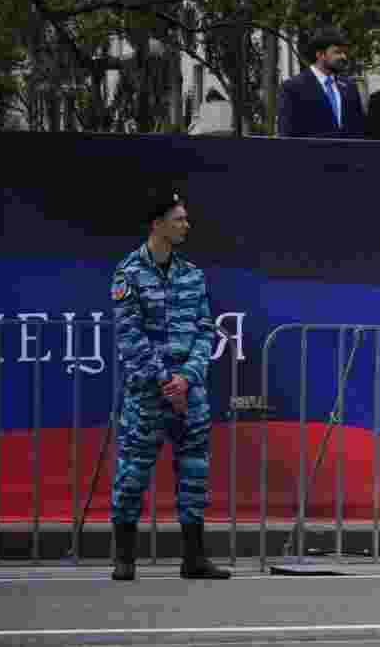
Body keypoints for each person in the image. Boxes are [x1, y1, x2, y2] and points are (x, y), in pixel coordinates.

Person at [109, 187, 230, 581]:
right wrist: (166, 382)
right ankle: (124, 558)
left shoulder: (192, 274)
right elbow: (129, 336)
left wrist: (187, 378)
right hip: (148, 394)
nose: (186, 225)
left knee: (194, 475)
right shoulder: (128, 273)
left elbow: (206, 329)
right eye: (179, 219)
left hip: (189, 393)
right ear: (157, 224)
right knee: (132, 475)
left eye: (185, 218)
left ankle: (194, 558)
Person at [277, 28, 365, 139]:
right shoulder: (292, 88)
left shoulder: (350, 87)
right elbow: (286, 134)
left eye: (344, 53)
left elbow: (359, 130)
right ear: (320, 55)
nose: (343, 57)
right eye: (337, 52)